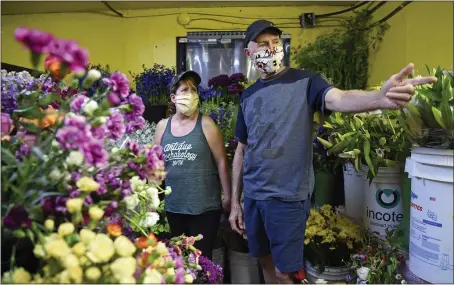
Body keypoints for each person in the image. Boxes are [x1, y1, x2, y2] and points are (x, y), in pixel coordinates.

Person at [228, 19, 437, 284]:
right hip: (254, 196)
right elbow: (241, 149)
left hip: (287, 198)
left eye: (275, 43)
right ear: (249, 53)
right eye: (263, 44)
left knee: (286, 272)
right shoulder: (248, 96)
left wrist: (378, 98)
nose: (271, 49)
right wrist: (236, 202)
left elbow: (338, 98)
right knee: (264, 260)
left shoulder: (305, 82)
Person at [154, 70, 231, 260]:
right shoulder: (162, 127)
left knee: (201, 262)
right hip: (174, 208)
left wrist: (228, 196)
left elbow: (221, 161)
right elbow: (155, 165)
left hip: (204, 209)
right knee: (178, 262)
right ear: (173, 97)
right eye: (184, 90)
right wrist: (151, 198)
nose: (190, 94)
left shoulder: (206, 125)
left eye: (194, 90)